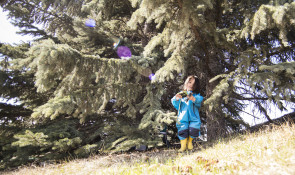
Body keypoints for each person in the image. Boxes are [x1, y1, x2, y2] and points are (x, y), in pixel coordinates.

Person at [171, 75, 204, 152]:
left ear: (196, 86)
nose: (190, 85)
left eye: (193, 83)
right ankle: (183, 146)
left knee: (194, 128)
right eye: (189, 82)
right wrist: (176, 98)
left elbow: (199, 101)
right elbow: (175, 103)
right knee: (182, 129)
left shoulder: (196, 95)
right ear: (186, 83)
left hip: (194, 117)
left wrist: (193, 99)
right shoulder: (181, 93)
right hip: (183, 117)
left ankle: (189, 142)